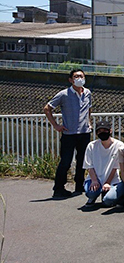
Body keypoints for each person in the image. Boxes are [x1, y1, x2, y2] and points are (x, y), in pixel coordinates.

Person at [44, 69, 93, 197]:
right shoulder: (64, 94)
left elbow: (88, 108)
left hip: (84, 133)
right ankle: (59, 188)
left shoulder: (87, 93)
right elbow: (47, 108)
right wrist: (56, 125)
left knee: (83, 160)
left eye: (81, 76)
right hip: (69, 134)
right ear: (71, 80)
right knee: (65, 161)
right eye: (76, 76)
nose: (79, 79)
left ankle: (79, 185)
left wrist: (89, 122)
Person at [81, 120, 124, 207]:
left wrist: (107, 182)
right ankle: (92, 197)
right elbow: (89, 166)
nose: (102, 133)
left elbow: (115, 167)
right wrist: (94, 180)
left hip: (112, 179)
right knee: (91, 192)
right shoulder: (92, 145)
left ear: (110, 131)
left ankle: (108, 194)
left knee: (108, 200)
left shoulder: (119, 145)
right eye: (100, 131)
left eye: (105, 131)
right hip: (95, 178)